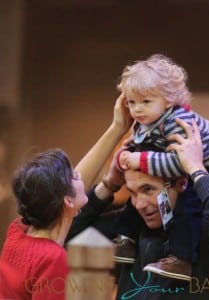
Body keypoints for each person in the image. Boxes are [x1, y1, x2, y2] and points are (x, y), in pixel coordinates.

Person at [67, 118, 209, 299]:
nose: (139, 204)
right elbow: (66, 231)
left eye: (148, 190)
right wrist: (108, 185)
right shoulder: (131, 229)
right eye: (132, 192)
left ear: (181, 183)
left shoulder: (207, 230)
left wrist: (197, 170)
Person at [112, 54, 209, 281]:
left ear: (168, 101)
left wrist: (139, 160)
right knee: (136, 190)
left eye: (146, 102)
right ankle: (125, 241)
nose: (137, 110)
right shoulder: (146, 120)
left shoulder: (177, 122)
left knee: (189, 205)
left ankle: (182, 259)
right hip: (180, 163)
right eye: (131, 102)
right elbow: (140, 144)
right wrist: (126, 152)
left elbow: (179, 163)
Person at [0, 94, 133, 300]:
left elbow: (62, 203)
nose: (80, 174)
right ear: (68, 201)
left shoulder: (18, 231)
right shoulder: (52, 259)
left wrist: (117, 129)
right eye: (74, 176)